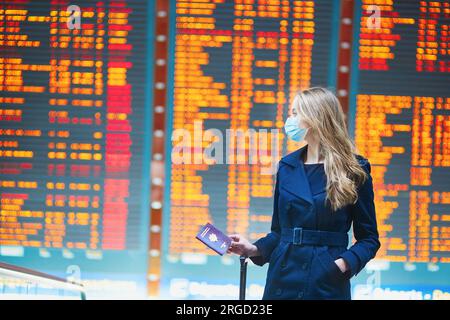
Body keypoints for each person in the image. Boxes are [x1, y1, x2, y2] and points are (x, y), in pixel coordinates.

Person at [227, 87, 380, 300]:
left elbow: (369, 238)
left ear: (315, 117)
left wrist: (343, 264)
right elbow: (280, 232)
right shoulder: (287, 166)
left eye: (295, 113)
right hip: (282, 277)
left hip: (325, 281)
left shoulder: (354, 169)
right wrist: (254, 249)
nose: (290, 119)